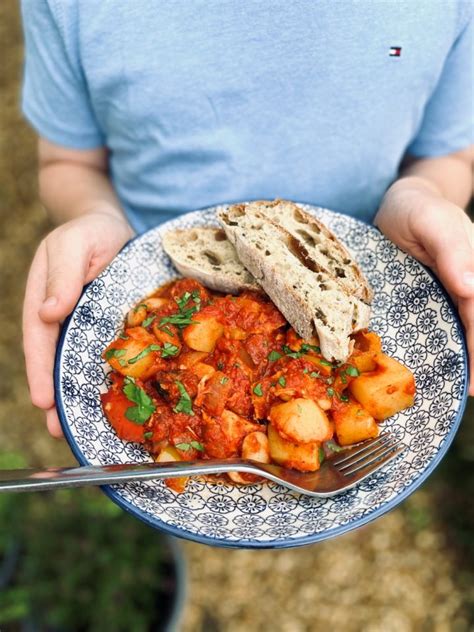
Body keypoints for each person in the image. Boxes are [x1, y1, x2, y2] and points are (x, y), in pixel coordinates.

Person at [20, 1, 473, 437]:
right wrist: (94, 215)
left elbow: (450, 153)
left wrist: (423, 194)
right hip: (146, 254)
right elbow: (68, 163)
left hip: (377, 262)